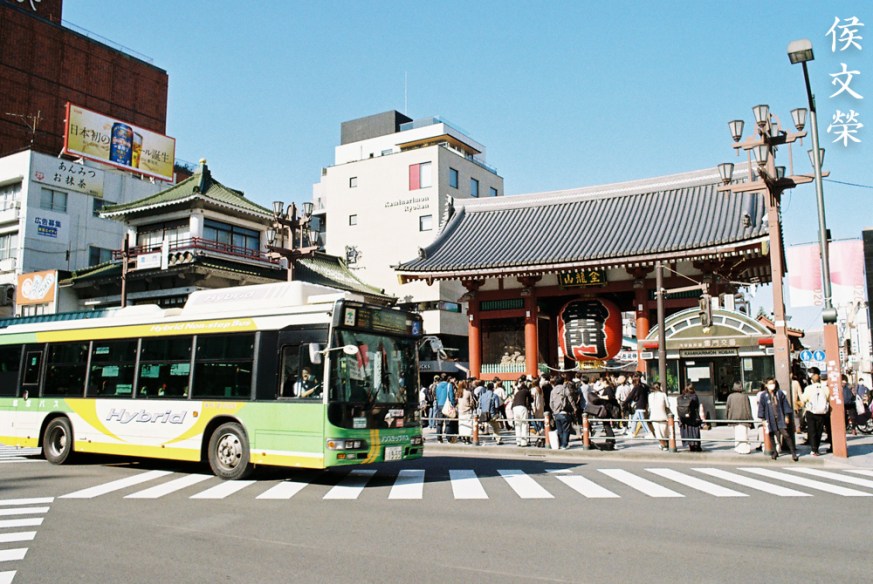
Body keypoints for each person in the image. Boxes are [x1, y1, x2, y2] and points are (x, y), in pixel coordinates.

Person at [757, 377, 798, 461]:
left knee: (786, 435)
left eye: (773, 383)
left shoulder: (779, 393)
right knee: (771, 435)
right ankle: (775, 451)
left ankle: (793, 452)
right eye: (770, 383)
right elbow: (761, 408)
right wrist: (763, 419)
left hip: (780, 417)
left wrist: (786, 416)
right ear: (766, 385)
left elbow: (785, 405)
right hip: (769, 417)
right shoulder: (763, 395)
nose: (772, 385)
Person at [801, 367, 830, 456]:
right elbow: (828, 398)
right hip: (821, 412)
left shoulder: (808, 388)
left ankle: (814, 449)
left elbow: (804, 399)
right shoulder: (825, 388)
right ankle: (816, 448)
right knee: (819, 431)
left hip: (811, 411)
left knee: (812, 430)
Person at [725, 381, 753, 454]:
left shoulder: (730, 397)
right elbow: (748, 409)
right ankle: (744, 448)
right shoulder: (745, 397)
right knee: (744, 434)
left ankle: (738, 448)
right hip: (744, 418)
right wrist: (750, 419)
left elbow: (727, 408)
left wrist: (727, 418)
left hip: (734, 418)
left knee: (737, 434)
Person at [549, 377, 578, 449]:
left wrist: (554, 410)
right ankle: (564, 444)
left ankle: (562, 443)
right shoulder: (564, 389)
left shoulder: (553, 390)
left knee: (560, 430)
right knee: (566, 429)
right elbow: (570, 399)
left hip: (556, 413)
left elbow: (551, 403)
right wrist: (574, 408)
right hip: (564, 412)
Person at [678, 383, 704, 452]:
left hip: (685, 419)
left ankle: (691, 446)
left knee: (688, 432)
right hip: (693, 418)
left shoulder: (683, 396)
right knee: (695, 432)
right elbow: (696, 406)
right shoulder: (694, 396)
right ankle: (697, 446)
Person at [624, 372, 650, 438]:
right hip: (643, 404)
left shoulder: (637, 387)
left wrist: (625, 402)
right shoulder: (644, 386)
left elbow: (631, 396)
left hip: (640, 405)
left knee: (642, 420)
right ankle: (631, 432)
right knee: (634, 419)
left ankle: (649, 433)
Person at [433, 374, 455, 443]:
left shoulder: (438, 386)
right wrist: (453, 405)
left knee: (439, 422)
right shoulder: (449, 385)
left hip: (439, 404)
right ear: (447, 379)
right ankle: (448, 438)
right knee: (448, 422)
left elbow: (436, 396)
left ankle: (439, 438)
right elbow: (451, 396)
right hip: (447, 405)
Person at [647, 382, 669, 451]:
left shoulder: (650, 395)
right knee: (663, 432)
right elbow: (667, 405)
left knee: (658, 432)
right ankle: (664, 445)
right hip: (663, 415)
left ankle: (663, 445)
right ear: (660, 387)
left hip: (653, 416)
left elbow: (650, 407)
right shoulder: (663, 394)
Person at [511, 378, 532, 446]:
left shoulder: (517, 392)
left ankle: (518, 441)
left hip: (514, 408)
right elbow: (531, 399)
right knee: (524, 424)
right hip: (522, 407)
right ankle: (524, 442)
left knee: (517, 425)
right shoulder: (526, 391)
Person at [457, 380, 476, 445]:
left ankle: (463, 438)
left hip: (460, 411)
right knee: (468, 425)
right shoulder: (468, 392)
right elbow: (471, 402)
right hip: (467, 411)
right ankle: (467, 439)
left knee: (462, 425)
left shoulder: (458, 393)